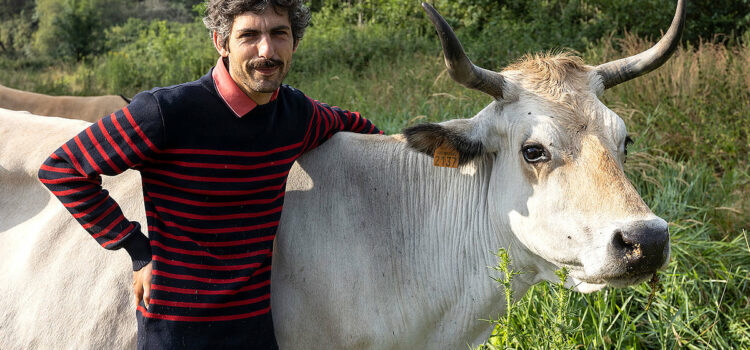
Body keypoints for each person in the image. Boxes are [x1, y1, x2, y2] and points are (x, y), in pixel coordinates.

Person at [37, 0, 382, 348]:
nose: (267, 50)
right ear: (221, 42)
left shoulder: (297, 116)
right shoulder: (166, 112)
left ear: (295, 42)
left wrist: (431, 158)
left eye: (279, 34)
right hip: (175, 333)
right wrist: (136, 249)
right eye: (249, 35)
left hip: (253, 332)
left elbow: (362, 129)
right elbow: (62, 169)